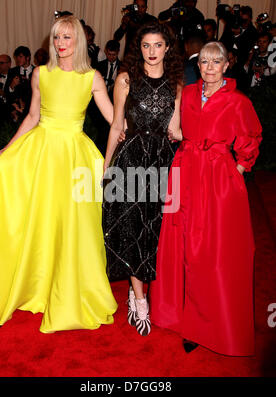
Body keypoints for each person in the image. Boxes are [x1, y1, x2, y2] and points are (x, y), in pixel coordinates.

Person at [0, 15, 117, 335]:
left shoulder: (92, 77)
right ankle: (36, 283)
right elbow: (32, 116)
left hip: (75, 155)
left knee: (75, 224)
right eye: (56, 38)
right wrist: (7, 151)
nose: (61, 43)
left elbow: (114, 121)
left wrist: (121, 151)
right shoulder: (40, 74)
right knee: (40, 219)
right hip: (42, 152)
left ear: (78, 40)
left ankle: (70, 287)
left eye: (67, 37)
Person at [150, 41, 262, 356]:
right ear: (197, 66)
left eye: (216, 62)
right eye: (204, 63)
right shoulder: (186, 94)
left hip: (217, 180)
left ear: (227, 65)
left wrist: (238, 167)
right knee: (180, 243)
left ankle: (209, 322)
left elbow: (252, 136)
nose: (209, 68)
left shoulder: (238, 101)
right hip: (184, 172)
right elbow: (176, 129)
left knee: (212, 250)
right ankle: (179, 314)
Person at [102, 22, 183, 336]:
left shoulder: (176, 83)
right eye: (146, 46)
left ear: (166, 48)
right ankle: (139, 302)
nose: (152, 52)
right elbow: (115, 125)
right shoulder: (125, 79)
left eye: (157, 45)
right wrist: (107, 167)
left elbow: (175, 130)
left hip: (163, 161)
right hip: (132, 160)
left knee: (158, 229)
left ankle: (151, 295)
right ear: (140, 48)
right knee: (134, 228)